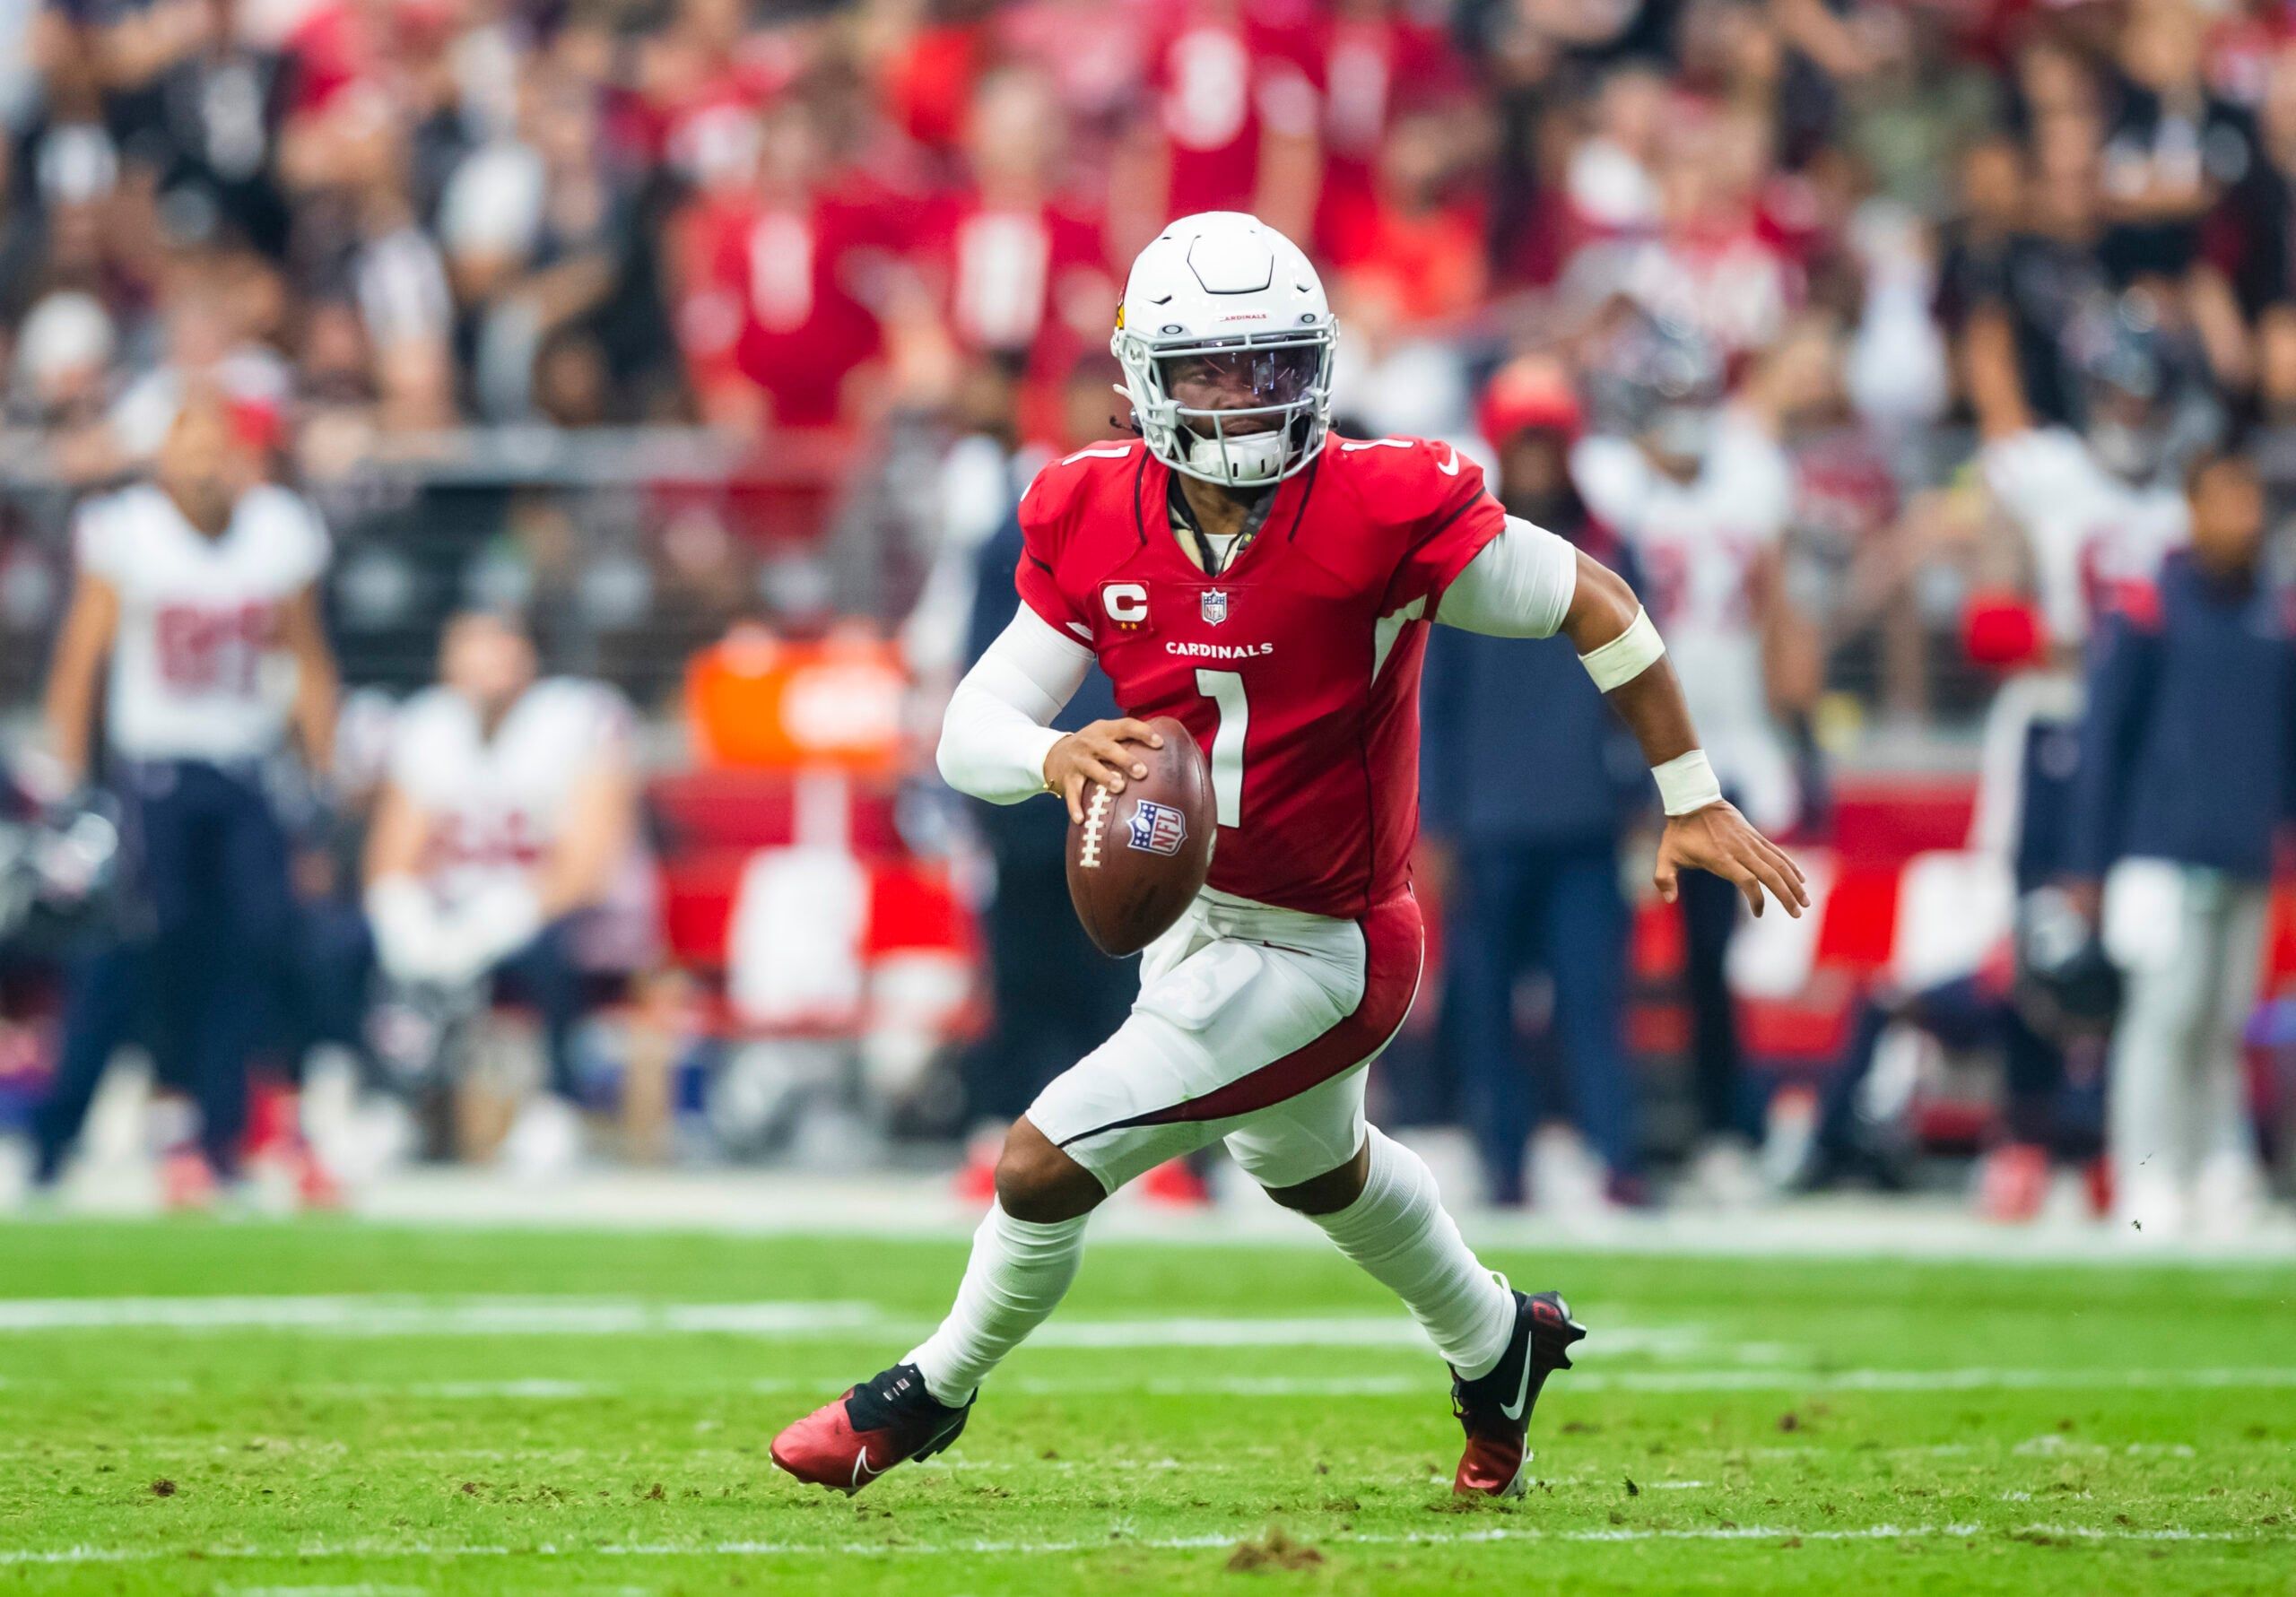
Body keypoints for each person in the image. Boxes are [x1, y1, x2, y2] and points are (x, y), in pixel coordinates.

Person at [771, 212, 1806, 1499]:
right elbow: (971, 727)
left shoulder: (1381, 506)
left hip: (1331, 942)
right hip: (1197, 928)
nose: (1247, 397)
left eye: (1271, 363)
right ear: (1146, 376)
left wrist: (1690, 793)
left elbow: (1595, 601)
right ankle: (1501, 1345)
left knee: (1041, 1160)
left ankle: (926, 1392)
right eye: (1212, 367)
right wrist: (1055, 757)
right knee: (1312, 1166)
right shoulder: (1090, 508)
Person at [30, 389, 337, 1200]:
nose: (205, 462)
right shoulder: (127, 530)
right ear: (162, 454)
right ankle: (172, 1129)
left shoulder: (277, 528)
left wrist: (321, 773)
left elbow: (308, 659)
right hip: (154, 770)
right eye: (189, 444)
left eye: (218, 444)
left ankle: (271, 1127)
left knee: (270, 940)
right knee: (162, 946)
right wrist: (66, 784)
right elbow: (80, 661)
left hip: (244, 766)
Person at [1570, 313, 1804, 1203]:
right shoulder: (1609, 486)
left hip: (1729, 747)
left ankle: (1721, 1127)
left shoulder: (1749, 477)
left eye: (1688, 393)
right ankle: (1610, 1135)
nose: (1680, 413)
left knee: (1714, 955)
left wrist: (1796, 726)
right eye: (1663, 395)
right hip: (1630, 755)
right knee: (1604, 957)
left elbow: (1776, 611)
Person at [1422, 358, 1648, 1208]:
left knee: (1593, 1000)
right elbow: (1431, 700)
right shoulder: (1460, 553)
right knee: (1486, 1007)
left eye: (1547, 439)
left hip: (1586, 816)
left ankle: (1616, 1154)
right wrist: (1434, 822)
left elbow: (1642, 686)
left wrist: (1643, 799)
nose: (1536, 457)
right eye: (1524, 439)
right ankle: (1504, 1160)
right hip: (1486, 822)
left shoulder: (1610, 549)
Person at [2069, 450, 2294, 1239]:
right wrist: (2090, 862)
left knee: (2226, 1019)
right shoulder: (2149, 606)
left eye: (2251, 499)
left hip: (2242, 847)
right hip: (2157, 848)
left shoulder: (2276, 611)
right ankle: (2149, 1168)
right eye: (2227, 499)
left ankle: (2218, 1162)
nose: (2245, 517)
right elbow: (2105, 741)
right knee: (2164, 1016)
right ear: (2193, 509)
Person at [361, 611, 642, 1176]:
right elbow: (393, 852)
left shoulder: (576, 719)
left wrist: (503, 918)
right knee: (356, 946)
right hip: (459, 905)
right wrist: (405, 915)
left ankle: (557, 1105)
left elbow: (586, 864)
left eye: (498, 648)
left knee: (550, 953)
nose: (485, 666)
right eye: (471, 649)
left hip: (554, 909)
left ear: (527, 657)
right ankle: (389, 1099)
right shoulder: (429, 726)